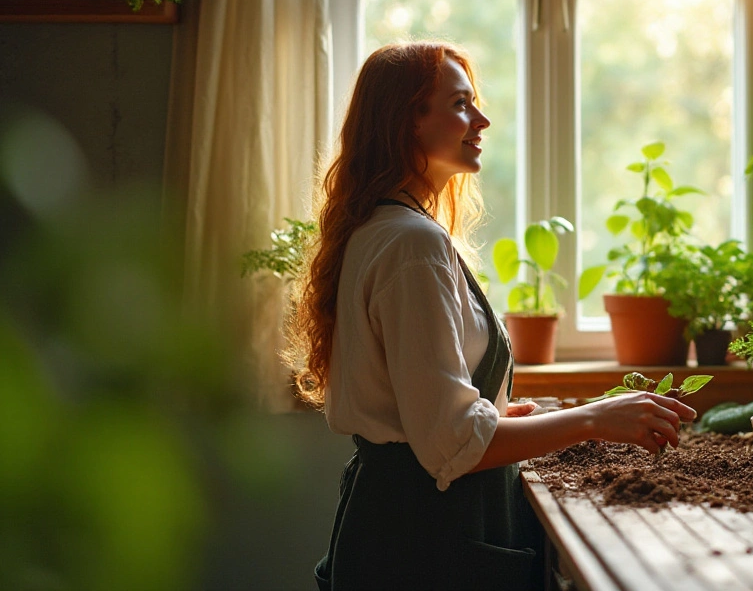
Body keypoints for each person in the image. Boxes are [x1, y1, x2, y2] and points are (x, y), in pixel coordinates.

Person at [291, 42, 696, 591]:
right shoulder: (413, 245)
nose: (480, 120)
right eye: (460, 104)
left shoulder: (386, 230)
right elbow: (447, 441)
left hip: (408, 521)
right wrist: (596, 417)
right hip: (426, 538)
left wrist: (503, 420)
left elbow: (425, 412)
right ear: (406, 121)